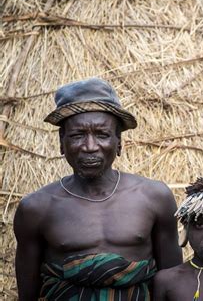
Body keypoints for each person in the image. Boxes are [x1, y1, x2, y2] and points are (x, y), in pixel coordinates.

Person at [13, 78, 182, 300]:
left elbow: (171, 281)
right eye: (77, 135)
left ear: (119, 141)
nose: (90, 147)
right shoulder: (36, 208)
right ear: (61, 141)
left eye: (102, 134)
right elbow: (28, 293)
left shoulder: (154, 198)